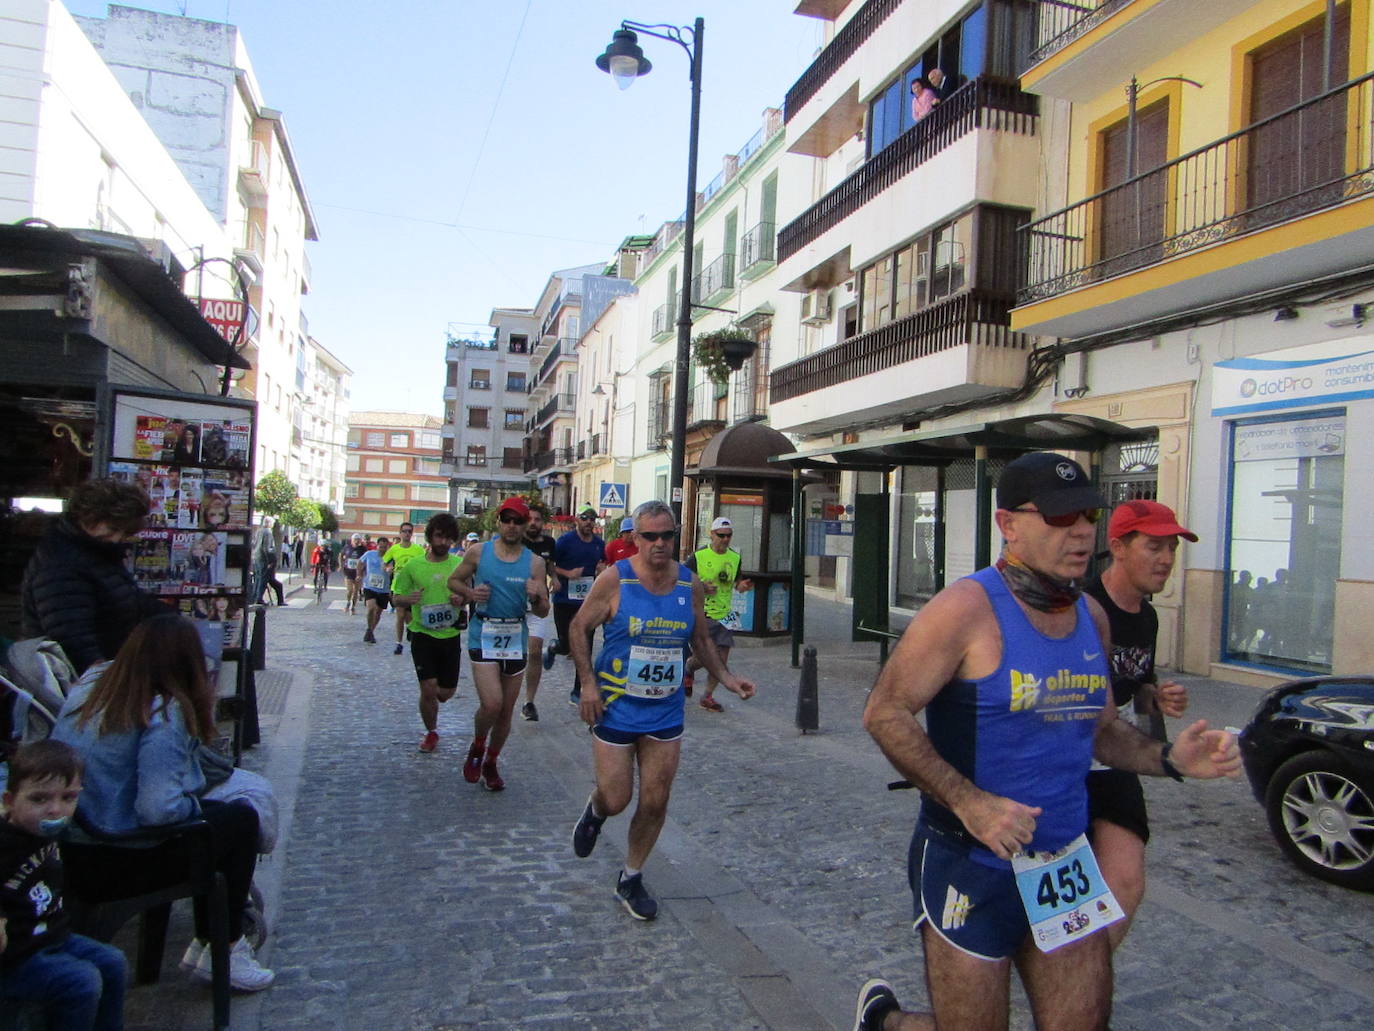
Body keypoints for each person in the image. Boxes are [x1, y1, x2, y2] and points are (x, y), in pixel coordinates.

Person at [853, 452, 1239, 1031]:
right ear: (1009, 525)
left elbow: (1103, 733)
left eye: (1086, 515)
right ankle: (888, 1022)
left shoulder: (1091, 616)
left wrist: (1168, 759)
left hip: (1064, 862)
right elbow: (885, 712)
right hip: (972, 862)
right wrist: (970, 802)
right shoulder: (965, 608)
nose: (1081, 531)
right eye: (1061, 519)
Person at [51, 614, 274, 992]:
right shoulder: (163, 709)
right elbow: (158, 808)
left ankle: (216, 942)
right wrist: (194, 800)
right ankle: (225, 947)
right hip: (116, 852)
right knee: (239, 821)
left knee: (226, 819)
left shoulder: (92, 686)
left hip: (75, 842)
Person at [569, 501, 756, 921]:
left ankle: (631, 877)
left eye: (666, 536)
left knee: (655, 800)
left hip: (665, 710)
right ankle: (596, 810)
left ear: (676, 537)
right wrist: (586, 683)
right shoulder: (615, 580)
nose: (658, 543)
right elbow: (579, 627)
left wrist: (726, 679)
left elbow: (702, 639)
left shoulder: (687, 584)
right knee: (618, 798)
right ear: (634, 538)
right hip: (616, 707)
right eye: (649, 536)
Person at [1084, 499, 1196, 951]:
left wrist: (1156, 696)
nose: (1166, 559)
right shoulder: (1082, 608)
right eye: (1154, 546)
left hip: (1115, 765)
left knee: (1126, 883)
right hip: (1066, 765)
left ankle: (1083, 979)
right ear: (1118, 547)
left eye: (1171, 548)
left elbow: (1137, 686)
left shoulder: (1147, 616)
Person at [1, 740, 128, 1030]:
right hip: (15, 958)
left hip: (51, 937)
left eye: (68, 798)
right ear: (10, 801)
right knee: (81, 982)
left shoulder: (45, 830)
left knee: (113, 962)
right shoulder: (6, 844)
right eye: (39, 799)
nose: (55, 810)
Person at [447, 498, 550, 790]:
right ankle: (478, 745)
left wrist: (537, 596)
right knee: (491, 703)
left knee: (506, 711)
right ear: (499, 522)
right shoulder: (479, 552)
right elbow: (454, 582)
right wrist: (470, 593)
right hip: (484, 633)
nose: (513, 526)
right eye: (508, 520)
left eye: (518, 521)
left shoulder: (535, 562)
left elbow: (543, 611)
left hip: (515, 637)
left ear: (525, 524)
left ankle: (491, 761)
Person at [21, 477, 169, 674]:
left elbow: (123, 598)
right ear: (89, 517)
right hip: (73, 680)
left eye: (125, 532)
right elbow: (71, 637)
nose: (117, 538)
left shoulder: (97, 552)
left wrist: (172, 618)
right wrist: (100, 678)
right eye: (113, 529)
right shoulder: (62, 563)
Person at [389, 514, 465, 753]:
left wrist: (459, 599)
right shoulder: (413, 566)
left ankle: (437, 702)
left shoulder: (458, 565)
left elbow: (467, 595)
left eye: (448, 538)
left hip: (450, 635)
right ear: (431, 536)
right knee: (428, 688)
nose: (443, 542)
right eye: (439, 536)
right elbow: (395, 596)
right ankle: (431, 732)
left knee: (445, 693)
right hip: (422, 634)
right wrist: (407, 599)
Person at [684, 516, 754, 712]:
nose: (725, 539)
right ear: (711, 534)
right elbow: (681, 580)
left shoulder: (734, 558)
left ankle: (707, 696)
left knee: (721, 660)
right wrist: (701, 586)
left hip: (725, 615)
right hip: (702, 614)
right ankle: (689, 668)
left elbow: (737, 583)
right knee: (704, 656)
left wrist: (742, 586)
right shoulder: (698, 557)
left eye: (728, 536)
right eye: (721, 535)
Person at [550, 504, 606, 705]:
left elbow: (603, 565)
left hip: (587, 604)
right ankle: (554, 648)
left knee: (584, 648)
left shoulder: (599, 544)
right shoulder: (565, 542)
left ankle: (578, 689)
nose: (589, 522)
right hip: (564, 600)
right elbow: (551, 566)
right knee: (567, 646)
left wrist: (601, 569)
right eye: (585, 518)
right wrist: (567, 574)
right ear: (577, 520)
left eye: (592, 519)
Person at [520, 506, 558, 721]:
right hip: (513, 606)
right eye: (530, 519)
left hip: (538, 605)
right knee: (515, 655)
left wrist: (555, 577)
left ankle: (529, 701)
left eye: (537, 519)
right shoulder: (515, 543)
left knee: (534, 652)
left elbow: (551, 565)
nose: (533, 523)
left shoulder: (549, 543)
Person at [383, 523, 427, 656]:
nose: (407, 534)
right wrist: (387, 569)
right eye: (404, 531)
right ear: (400, 533)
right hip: (398, 587)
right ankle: (399, 643)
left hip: (414, 588)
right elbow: (385, 563)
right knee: (400, 615)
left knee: (411, 618)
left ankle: (411, 630)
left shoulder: (418, 550)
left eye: (409, 531)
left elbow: (425, 564)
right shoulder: (394, 549)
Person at [359, 536, 392, 645]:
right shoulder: (369, 554)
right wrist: (359, 574)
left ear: (387, 547)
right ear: (377, 546)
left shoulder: (391, 557)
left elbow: (392, 569)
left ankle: (371, 631)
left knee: (378, 612)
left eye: (384, 547)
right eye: (380, 547)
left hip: (384, 589)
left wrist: (389, 570)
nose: (382, 549)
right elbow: (360, 562)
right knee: (371, 608)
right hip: (370, 586)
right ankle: (369, 628)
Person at [339, 533, 369, 615]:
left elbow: (366, 559)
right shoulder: (347, 547)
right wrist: (340, 565)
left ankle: (353, 607)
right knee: (350, 590)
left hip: (358, 573)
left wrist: (365, 569)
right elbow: (341, 555)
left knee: (356, 591)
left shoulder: (363, 549)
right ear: (352, 540)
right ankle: (348, 602)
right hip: (348, 571)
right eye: (355, 540)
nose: (356, 541)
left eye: (358, 540)